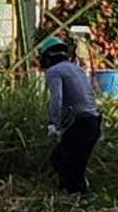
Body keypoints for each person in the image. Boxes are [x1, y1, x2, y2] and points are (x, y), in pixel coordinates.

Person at [38, 35, 101, 194]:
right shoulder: (78, 69)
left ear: (47, 57)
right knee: (77, 165)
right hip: (93, 123)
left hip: (80, 124)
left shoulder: (54, 71)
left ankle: (73, 196)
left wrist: (53, 123)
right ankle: (79, 198)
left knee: (59, 158)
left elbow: (57, 98)